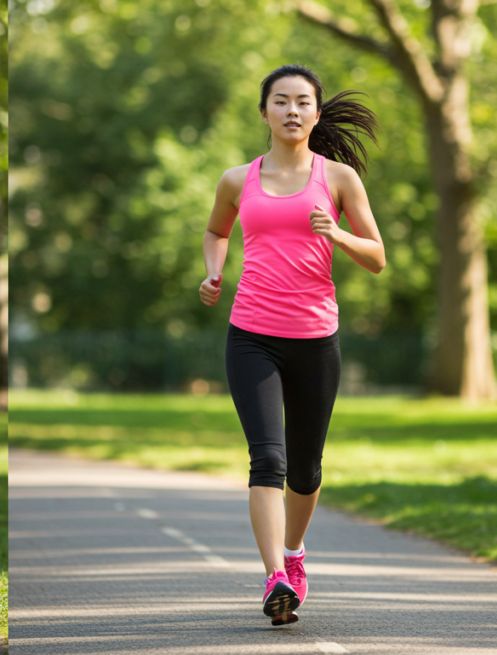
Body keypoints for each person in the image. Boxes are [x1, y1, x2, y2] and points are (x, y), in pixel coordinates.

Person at [198, 64, 385, 626]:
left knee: (305, 470)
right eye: (280, 101)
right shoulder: (238, 179)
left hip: (315, 339)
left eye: (303, 102)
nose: (292, 110)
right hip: (252, 335)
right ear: (264, 112)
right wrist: (214, 271)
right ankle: (275, 575)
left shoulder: (339, 179)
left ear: (317, 114)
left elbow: (377, 258)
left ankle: (295, 552)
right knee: (268, 459)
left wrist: (337, 233)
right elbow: (216, 231)